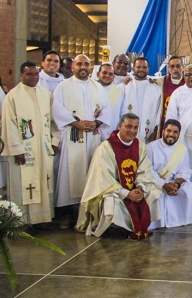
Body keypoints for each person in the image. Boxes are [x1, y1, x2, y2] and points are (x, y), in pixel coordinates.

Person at [76, 113, 161, 239]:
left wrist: (140, 188)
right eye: (128, 126)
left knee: (153, 192)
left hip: (134, 189)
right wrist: (126, 193)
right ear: (120, 126)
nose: (132, 131)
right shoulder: (106, 147)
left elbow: (145, 171)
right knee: (110, 201)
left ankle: (138, 226)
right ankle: (114, 229)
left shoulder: (140, 146)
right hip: (114, 191)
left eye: (135, 127)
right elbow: (103, 179)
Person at [52, 54, 110, 229]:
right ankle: (68, 214)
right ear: (72, 67)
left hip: (93, 138)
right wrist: (76, 123)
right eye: (79, 64)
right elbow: (57, 109)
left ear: (90, 67)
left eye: (86, 64)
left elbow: (106, 109)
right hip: (73, 137)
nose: (83, 67)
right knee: (70, 176)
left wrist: (96, 123)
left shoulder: (98, 87)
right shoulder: (62, 87)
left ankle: (90, 213)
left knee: (91, 173)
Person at [1, 62, 58, 226]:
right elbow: (8, 124)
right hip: (24, 152)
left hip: (43, 149)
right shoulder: (12, 96)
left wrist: (54, 141)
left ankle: (43, 219)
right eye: (29, 74)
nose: (33, 77)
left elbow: (53, 120)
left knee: (44, 181)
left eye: (35, 74)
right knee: (24, 185)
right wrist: (17, 149)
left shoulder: (45, 94)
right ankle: (23, 221)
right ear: (21, 75)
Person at [165, 64, 192, 206]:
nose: (191, 78)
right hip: (183, 139)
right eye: (188, 75)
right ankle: (185, 200)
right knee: (184, 169)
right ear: (184, 76)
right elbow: (171, 117)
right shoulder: (177, 93)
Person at [147, 119, 192, 229]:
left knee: (190, 191)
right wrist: (163, 184)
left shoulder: (182, 149)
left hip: (174, 182)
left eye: (175, 132)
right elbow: (148, 171)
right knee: (157, 195)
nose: (171, 134)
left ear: (179, 134)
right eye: (169, 131)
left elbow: (184, 170)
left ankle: (186, 220)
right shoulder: (150, 147)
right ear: (163, 131)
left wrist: (176, 184)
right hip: (155, 182)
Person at [120, 57, 161, 143]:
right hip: (126, 131)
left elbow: (159, 112)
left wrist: (156, 131)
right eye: (138, 67)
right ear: (133, 68)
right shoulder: (125, 87)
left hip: (147, 133)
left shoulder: (157, 89)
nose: (141, 69)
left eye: (144, 67)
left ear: (148, 69)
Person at [158, 56, 185, 136]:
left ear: (183, 67)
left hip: (182, 124)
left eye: (178, 66)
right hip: (165, 124)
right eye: (172, 66)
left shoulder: (188, 83)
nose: (175, 69)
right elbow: (145, 80)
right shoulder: (161, 82)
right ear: (168, 68)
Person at [96, 62, 123, 140]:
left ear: (114, 77)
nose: (107, 76)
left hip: (111, 132)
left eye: (110, 74)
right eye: (104, 73)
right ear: (98, 74)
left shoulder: (119, 91)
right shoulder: (90, 89)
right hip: (92, 130)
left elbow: (121, 112)